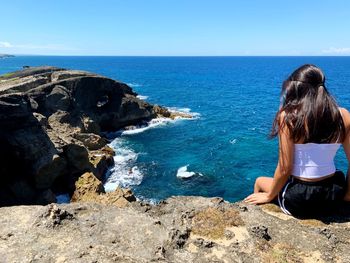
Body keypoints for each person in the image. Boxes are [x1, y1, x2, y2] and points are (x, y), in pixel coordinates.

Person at [244, 64, 350, 217]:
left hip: (300, 199)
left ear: (297, 89)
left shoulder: (288, 117)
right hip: (332, 194)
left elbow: (285, 168)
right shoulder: (344, 115)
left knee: (260, 181)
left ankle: (257, 215)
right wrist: (347, 195)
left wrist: (269, 196)